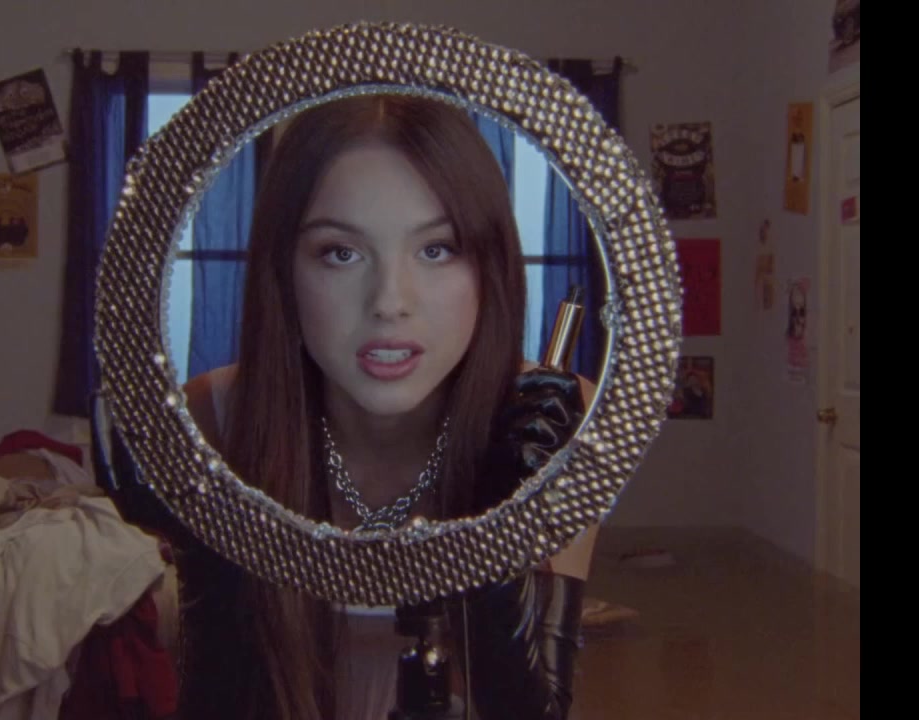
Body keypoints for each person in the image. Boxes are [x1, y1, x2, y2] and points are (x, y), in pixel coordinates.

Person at [104, 93, 601, 720]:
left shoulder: (553, 425)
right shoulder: (213, 418)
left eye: (437, 249)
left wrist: (499, 556)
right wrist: (213, 555)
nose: (389, 302)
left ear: (490, 266)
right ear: (284, 271)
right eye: (341, 252)